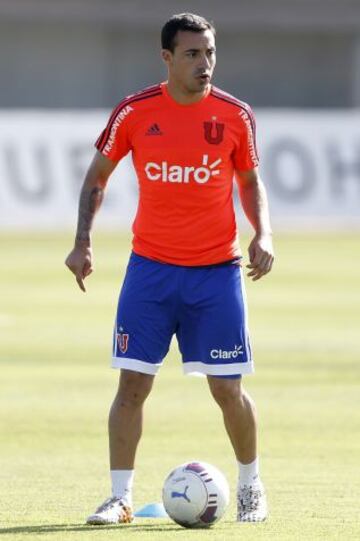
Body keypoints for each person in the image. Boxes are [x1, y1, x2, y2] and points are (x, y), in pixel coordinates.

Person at [65, 12, 274, 525]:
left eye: (210, 53)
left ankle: (250, 485)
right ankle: (119, 499)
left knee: (227, 388)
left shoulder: (234, 115)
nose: (205, 65)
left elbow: (248, 181)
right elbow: (97, 176)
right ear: (167, 58)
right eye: (192, 54)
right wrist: (82, 242)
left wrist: (263, 233)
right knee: (132, 385)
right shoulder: (135, 112)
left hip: (216, 272)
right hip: (151, 271)